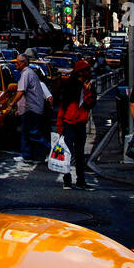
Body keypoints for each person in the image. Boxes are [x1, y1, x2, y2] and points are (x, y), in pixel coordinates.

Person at [55, 59, 96, 190]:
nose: (89, 72)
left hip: (80, 123)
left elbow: (90, 103)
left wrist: (88, 91)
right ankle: (67, 180)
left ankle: (80, 180)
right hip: (69, 122)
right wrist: (60, 124)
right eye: (86, 70)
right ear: (80, 72)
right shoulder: (70, 85)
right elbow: (63, 105)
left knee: (79, 154)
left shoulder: (89, 86)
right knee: (68, 153)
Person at [12, 53, 50, 164]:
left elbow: (21, 91)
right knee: (25, 133)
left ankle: (50, 149)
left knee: (33, 133)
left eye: (17, 62)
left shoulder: (26, 74)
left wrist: (12, 104)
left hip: (32, 109)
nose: (16, 64)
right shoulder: (28, 73)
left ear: (23, 63)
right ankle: (26, 155)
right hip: (30, 108)